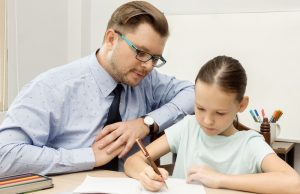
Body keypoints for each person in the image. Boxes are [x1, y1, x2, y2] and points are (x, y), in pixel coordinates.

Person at [0, 1, 194, 177]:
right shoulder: (52, 88)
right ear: (111, 39)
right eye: (141, 52)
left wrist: (147, 123)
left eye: (154, 58)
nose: (148, 66)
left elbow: (194, 93)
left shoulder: (148, 81)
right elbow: (4, 155)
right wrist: (88, 156)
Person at [124, 56, 300, 194]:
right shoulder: (188, 127)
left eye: (220, 113)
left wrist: (221, 179)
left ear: (241, 105)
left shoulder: (250, 144)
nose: (207, 121)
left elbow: (294, 184)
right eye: (200, 108)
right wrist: (145, 174)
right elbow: (133, 161)